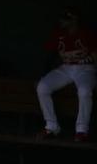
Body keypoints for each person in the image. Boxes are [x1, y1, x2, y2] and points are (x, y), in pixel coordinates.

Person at [36, 7, 97, 142]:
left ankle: (81, 130)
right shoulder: (59, 34)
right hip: (66, 68)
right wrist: (43, 73)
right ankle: (51, 126)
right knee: (42, 87)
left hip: (85, 69)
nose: (62, 22)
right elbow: (49, 54)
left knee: (84, 90)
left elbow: (95, 55)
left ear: (75, 20)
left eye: (66, 19)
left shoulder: (86, 33)